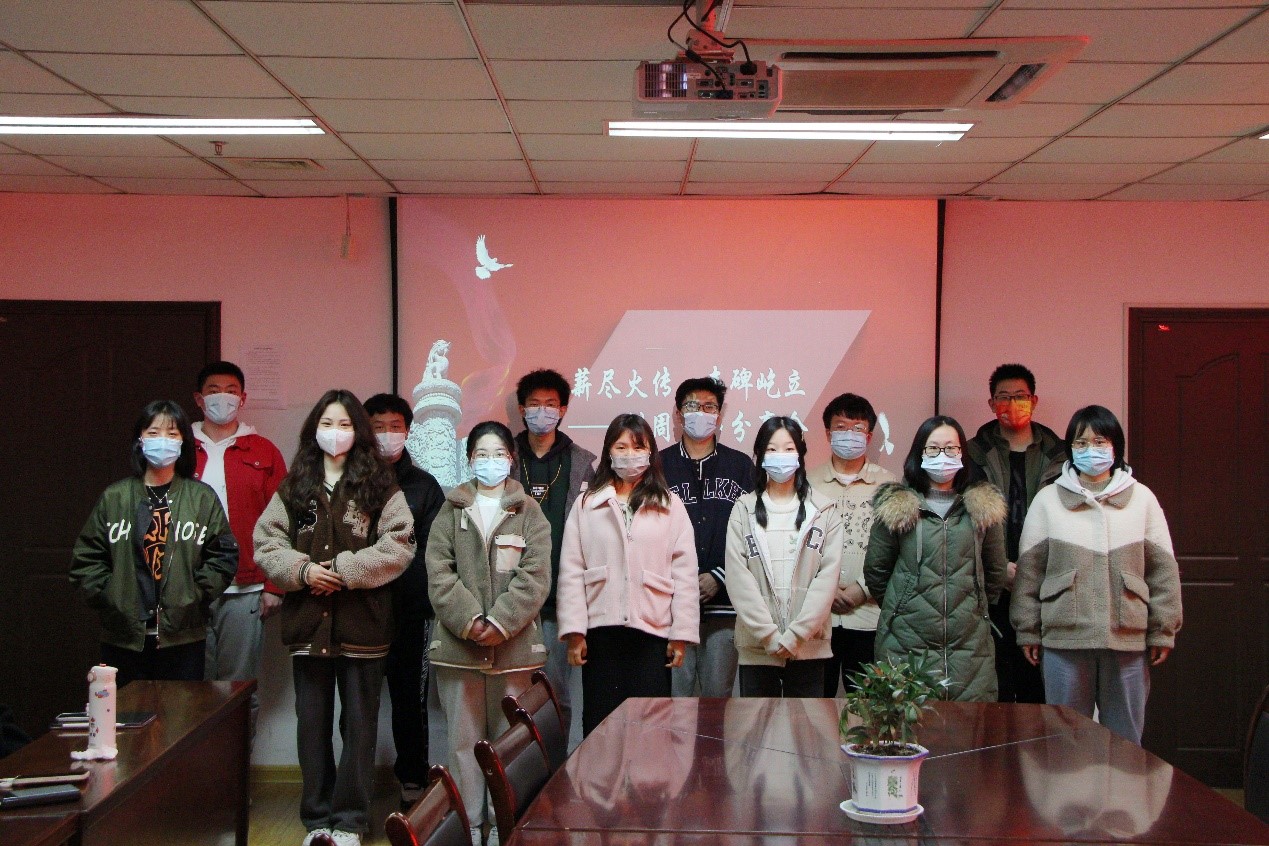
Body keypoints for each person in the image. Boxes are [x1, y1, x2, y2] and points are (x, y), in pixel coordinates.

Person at [255, 389, 415, 846]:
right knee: (312, 727)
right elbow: (266, 542)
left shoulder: (380, 485)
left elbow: (399, 544)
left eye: (345, 424)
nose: (336, 432)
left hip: (364, 626)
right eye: (327, 423)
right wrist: (303, 571)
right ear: (314, 430)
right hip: (308, 626)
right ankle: (317, 818)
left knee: (360, 728)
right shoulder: (295, 485)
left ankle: (349, 821)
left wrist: (344, 571)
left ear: (358, 432)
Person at [1011, 405, 1182, 744]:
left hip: (1127, 638)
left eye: (1100, 441)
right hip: (1064, 639)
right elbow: (1029, 573)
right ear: (1070, 448)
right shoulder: (1048, 500)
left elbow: (1163, 571)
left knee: (1125, 740)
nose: (1091, 450)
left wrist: (1163, 629)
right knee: (1064, 740)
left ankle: (1121, 785)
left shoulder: (1142, 499)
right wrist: (1027, 629)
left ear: (1116, 446)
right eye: (1081, 443)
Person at [426, 421, 552, 846]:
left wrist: (500, 622)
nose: (491, 461)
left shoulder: (529, 512)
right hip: (457, 651)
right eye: (482, 453)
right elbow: (439, 573)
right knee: (462, 746)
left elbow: (535, 576)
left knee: (508, 746)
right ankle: (470, 828)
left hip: (515, 651)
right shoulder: (450, 510)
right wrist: (470, 621)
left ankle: (505, 825)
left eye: (499, 453)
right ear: (469, 459)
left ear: (511, 459)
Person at [71, 400, 238, 686]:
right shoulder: (115, 497)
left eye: (172, 434)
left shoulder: (202, 498)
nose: (163, 440)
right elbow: (86, 559)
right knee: (127, 711)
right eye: (153, 432)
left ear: (183, 442)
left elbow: (223, 556)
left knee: (181, 711)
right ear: (140, 440)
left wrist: (194, 595)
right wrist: (112, 598)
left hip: (182, 637)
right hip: (123, 639)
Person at [556, 414, 699, 736]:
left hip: (652, 632)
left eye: (638, 447)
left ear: (650, 453)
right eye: (621, 447)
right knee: (601, 726)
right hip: (600, 632)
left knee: (650, 729)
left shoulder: (670, 505)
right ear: (608, 451)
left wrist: (681, 633)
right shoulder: (587, 504)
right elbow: (571, 570)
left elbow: (686, 575)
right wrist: (575, 632)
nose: (629, 454)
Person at [864, 415, 1008, 702]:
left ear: (963, 453)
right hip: (905, 641)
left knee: (967, 726)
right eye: (933, 448)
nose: (943, 455)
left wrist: (975, 603)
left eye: (951, 448)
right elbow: (877, 571)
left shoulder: (982, 508)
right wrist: (903, 604)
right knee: (907, 725)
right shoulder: (897, 505)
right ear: (919, 453)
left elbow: (996, 572)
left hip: (970, 646)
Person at [191, 361, 287, 735]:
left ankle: (234, 771)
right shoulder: (180, 449)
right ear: (199, 399)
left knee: (238, 689)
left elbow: (283, 521)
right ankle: (195, 770)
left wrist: (274, 585)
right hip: (188, 590)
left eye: (231, 391)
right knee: (189, 691)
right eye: (214, 390)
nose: (223, 397)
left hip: (245, 587)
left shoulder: (263, 451)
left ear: (243, 398)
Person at [364, 393, 445, 809]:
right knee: (357, 704)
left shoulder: (425, 486)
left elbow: (432, 552)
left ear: (408, 431)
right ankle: (355, 785)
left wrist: (391, 576)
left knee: (410, 703)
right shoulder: (350, 482)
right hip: (359, 612)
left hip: (411, 613)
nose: (387, 435)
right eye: (378, 427)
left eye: (395, 427)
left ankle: (413, 779)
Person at [966, 363, 1064, 704]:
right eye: (1003, 397)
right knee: (997, 685)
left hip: (1047, 585)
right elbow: (963, 520)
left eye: (1020, 396)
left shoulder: (1061, 455)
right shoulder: (971, 454)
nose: (1012, 404)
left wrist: (1034, 571)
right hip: (991, 586)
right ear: (991, 404)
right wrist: (998, 568)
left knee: (1040, 689)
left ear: (1034, 401)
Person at [725, 417, 842, 697]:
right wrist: (769, 635)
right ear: (759, 455)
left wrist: (797, 635)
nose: (781, 456)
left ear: (800, 454)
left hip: (809, 647)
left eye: (789, 449)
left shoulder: (824, 511)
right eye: (772, 449)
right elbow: (738, 578)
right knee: (757, 724)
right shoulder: (743, 509)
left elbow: (827, 579)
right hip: (757, 649)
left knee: (806, 725)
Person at [509, 369, 596, 734]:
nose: (542, 411)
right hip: (511, 598)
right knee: (513, 697)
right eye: (534, 404)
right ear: (521, 409)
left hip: (561, 600)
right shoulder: (505, 458)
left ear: (562, 410)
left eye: (550, 404)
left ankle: (556, 766)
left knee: (556, 696)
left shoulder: (582, 463)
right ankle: (514, 767)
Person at [662, 377, 754, 698]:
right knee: (675, 702)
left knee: (717, 702)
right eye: (692, 406)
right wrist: (682, 579)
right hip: (671, 608)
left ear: (719, 414)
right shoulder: (658, 466)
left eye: (709, 406)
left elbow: (752, 533)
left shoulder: (740, 466)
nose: (700, 413)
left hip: (725, 606)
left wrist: (719, 576)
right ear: (678, 414)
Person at [807, 393, 896, 697]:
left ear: (869, 436)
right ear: (828, 434)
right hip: (817, 620)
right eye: (841, 427)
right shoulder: (807, 483)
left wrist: (862, 588)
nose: (849, 435)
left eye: (857, 428)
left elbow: (895, 551)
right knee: (815, 709)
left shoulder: (889, 486)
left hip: (870, 618)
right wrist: (826, 589)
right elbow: (797, 547)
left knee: (868, 708)